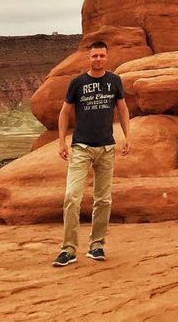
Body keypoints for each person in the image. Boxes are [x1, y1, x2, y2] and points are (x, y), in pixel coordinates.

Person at [52, 40, 131, 267]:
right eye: (94, 56)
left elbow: (123, 109)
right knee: (71, 197)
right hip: (81, 147)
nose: (98, 59)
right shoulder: (78, 83)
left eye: (101, 56)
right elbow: (65, 113)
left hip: (106, 147)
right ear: (89, 57)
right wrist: (61, 142)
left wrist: (127, 136)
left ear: (107, 57)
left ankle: (97, 245)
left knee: (103, 199)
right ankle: (68, 249)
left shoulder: (114, 81)